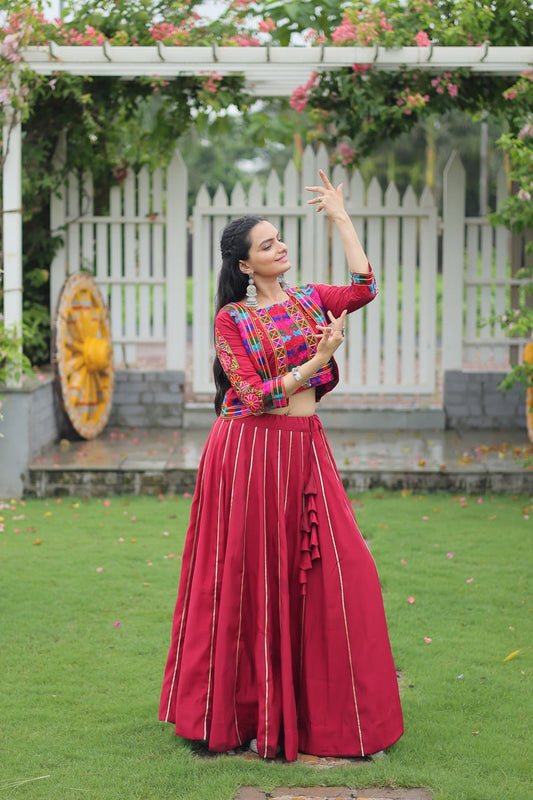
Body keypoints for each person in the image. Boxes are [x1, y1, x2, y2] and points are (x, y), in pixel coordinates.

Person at [159, 170, 403, 762]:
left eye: (280, 239)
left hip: (304, 446)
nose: (280, 248)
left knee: (345, 573)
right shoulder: (232, 320)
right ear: (246, 266)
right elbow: (249, 395)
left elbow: (364, 287)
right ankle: (229, 716)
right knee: (243, 578)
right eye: (267, 245)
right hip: (247, 453)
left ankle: (334, 720)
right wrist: (319, 358)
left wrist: (341, 217)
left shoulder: (307, 298)